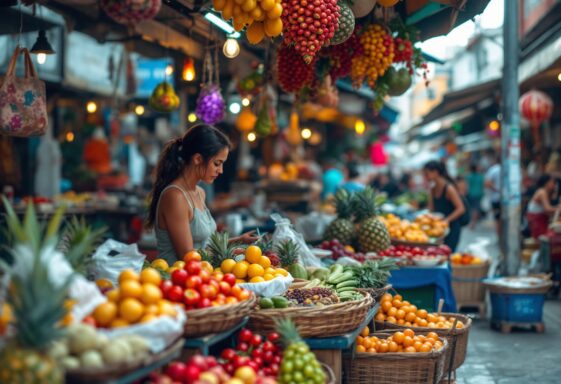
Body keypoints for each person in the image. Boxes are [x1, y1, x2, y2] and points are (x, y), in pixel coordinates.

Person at [146, 125, 258, 263]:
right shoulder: (175, 196)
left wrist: (238, 240)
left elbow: (203, 246)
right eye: (217, 163)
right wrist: (232, 253)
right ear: (198, 159)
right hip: (175, 279)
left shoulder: (200, 193)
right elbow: (188, 256)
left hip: (201, 276)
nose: (221, 170)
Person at [423, 161, 466, 251]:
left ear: (435, 172)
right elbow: (431, 208)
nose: (425, 177)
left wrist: (446, 220)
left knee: (447, 254)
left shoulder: (449, 188)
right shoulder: (432, 189)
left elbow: (461, 208)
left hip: (452, 228)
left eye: (427, 173)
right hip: (439, 230)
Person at [527, 174, 559, 238]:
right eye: (552, 182)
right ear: (546, 183)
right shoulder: (542, 192)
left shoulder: (546, 192)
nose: (554, 184)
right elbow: (548, 209)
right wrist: (558, 208)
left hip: (540, 220)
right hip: (537, 222)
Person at [485, 156, 501, 238]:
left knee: (498, 219)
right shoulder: (511, 168)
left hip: (496, 198)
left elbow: (487, 183)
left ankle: (500, 237)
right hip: (499, 198)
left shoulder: (493, 169)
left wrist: (497, 189)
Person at [466, 164, 485, 228]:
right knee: (476, 209)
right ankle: (474, 222)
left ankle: (472, 222)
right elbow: (483, 185)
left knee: (472, 208)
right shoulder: (480, 176)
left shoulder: (469, 176)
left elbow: (466, 186)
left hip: (470, 194)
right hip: (478, 194)